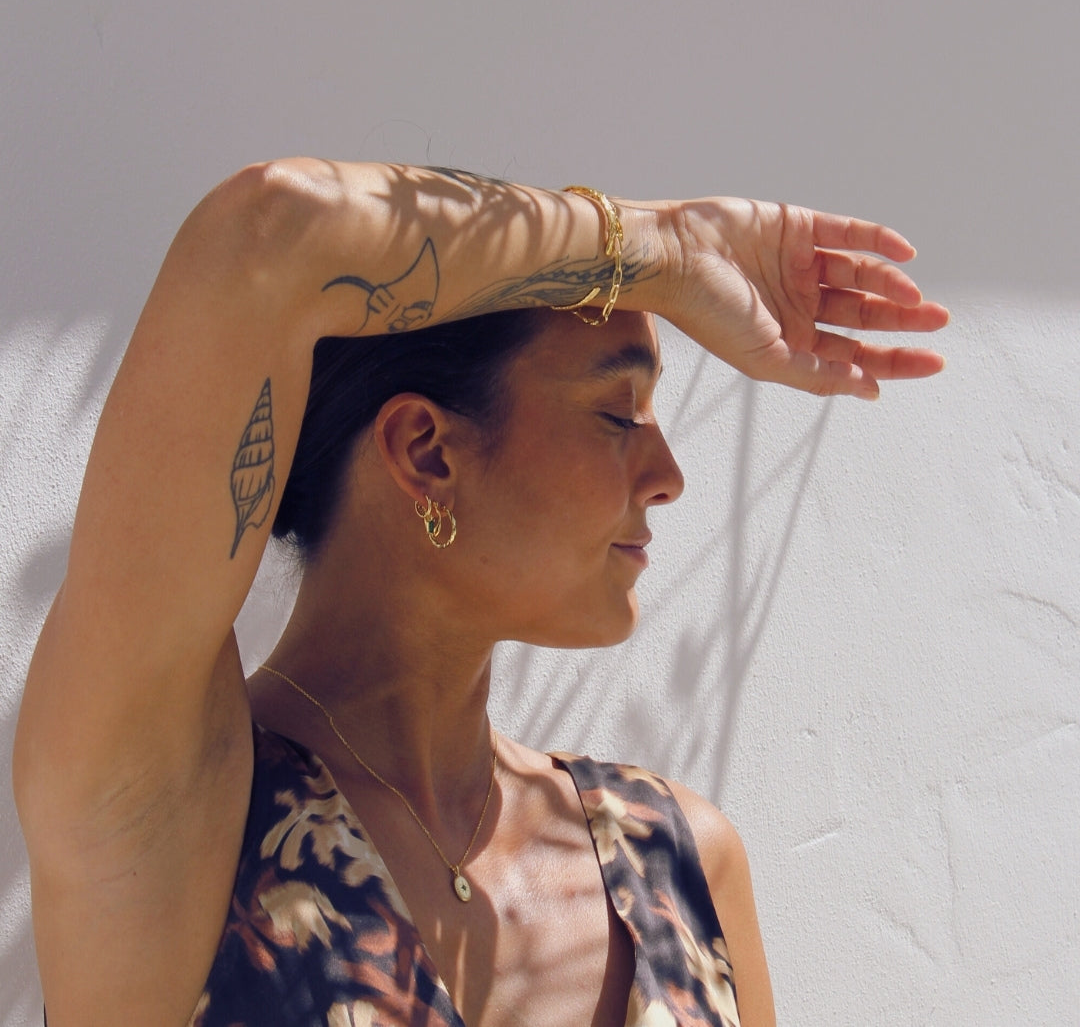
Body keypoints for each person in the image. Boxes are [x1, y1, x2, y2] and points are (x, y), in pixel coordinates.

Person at [13, 161, 948, 1027]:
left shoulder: (680, 859)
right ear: (427, 451)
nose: (668, 474)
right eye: (618, 413)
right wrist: (655, 247)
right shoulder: (174, 808)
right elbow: (265, 235)